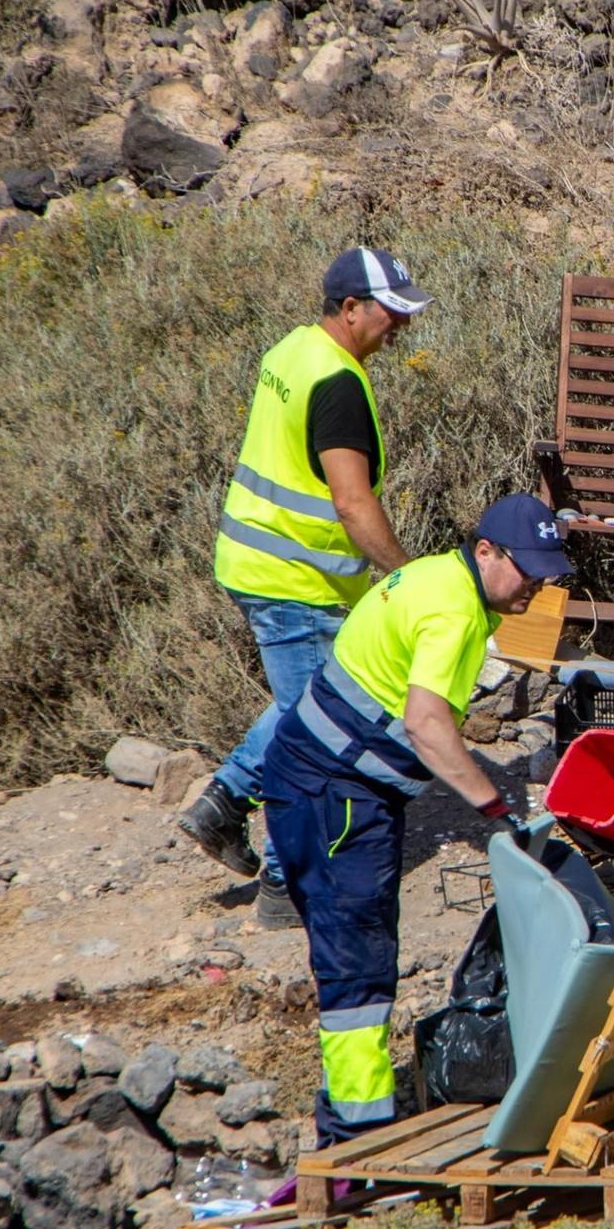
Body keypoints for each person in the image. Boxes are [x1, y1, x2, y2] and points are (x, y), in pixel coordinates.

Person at [260, 493, 574, 1146]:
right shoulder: (455, 608)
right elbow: (427, 727)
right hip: (335, 793)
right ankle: (357, 1141)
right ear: (485, 550)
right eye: (529, 571)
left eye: (547, 575)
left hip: (322, 779)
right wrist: (494, 804)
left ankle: (353, 1118)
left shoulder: (439, 577)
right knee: (358, 963)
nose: (536, 588)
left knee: (357, 953)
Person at [179, 247, 431, 927]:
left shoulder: (293, 349)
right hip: (298, 581)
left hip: (256, 560)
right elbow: (353, 504)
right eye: (392, 311)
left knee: (305, 705)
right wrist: (406, 577)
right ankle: (285, 889)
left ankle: (225, 801)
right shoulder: (340, 384)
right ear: (350, 309)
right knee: (313, 733)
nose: (401, 326)